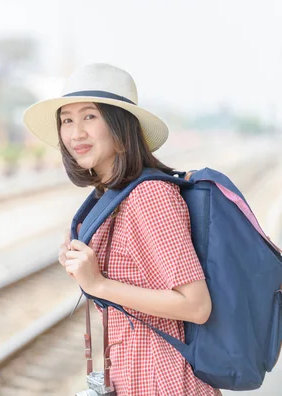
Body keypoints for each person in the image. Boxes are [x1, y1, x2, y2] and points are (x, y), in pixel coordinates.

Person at [22, 63, 220, 396]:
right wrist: (85, 267)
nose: (75, 133)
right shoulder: (110, 197)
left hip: (165, 381)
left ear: (120, 124)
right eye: (66, 120)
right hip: (132, 376)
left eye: (89, 117)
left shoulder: (149, 195)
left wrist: (98, 282)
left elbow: (196, 306)